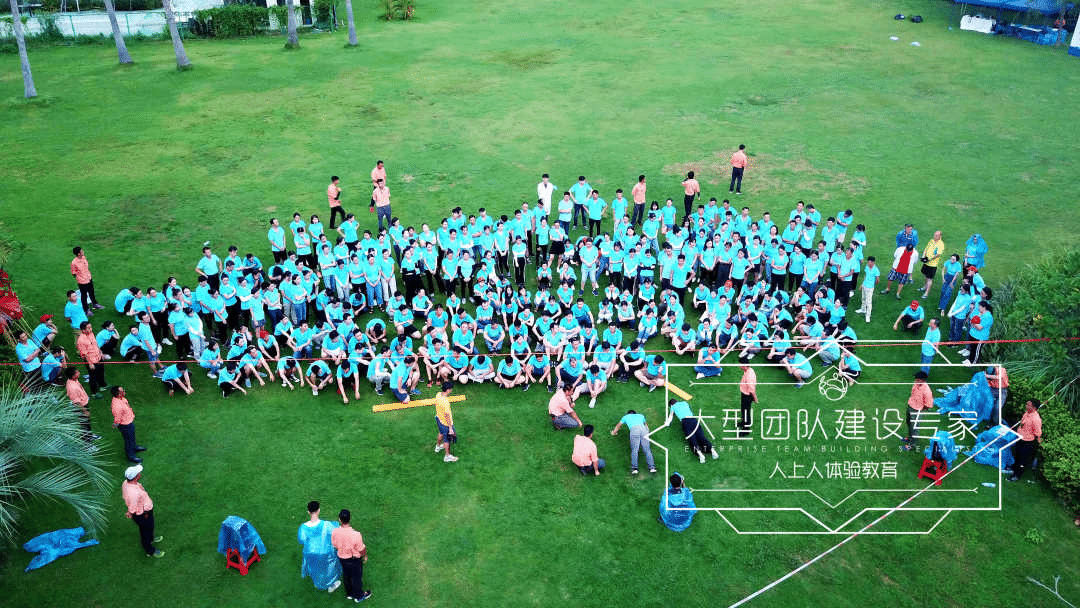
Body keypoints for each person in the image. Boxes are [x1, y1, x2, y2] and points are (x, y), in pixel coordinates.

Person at [297, 500, 342, 593]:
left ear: (308, 512)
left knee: (315, 568)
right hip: (324, 551)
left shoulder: (303, 527)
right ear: (319, 510)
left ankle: (318, 582)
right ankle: (331, 584)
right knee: (328, 568)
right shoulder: (326, 524)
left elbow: (301, 540)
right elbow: (336, 533)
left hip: (310, 552)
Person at [122, 464, 164, 558]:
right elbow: (132, 508)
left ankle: (151, 538)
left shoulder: (126, 483)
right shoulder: (133, 493)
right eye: (138, 473)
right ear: (136, 477)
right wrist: (130, 513)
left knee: (149, 528)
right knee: (146, 532)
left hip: (144, 513)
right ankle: (150, 550)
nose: (140, 474)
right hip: (143, 515)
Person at [331, 509, 372, 603]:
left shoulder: (335, 532)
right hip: (354, 560)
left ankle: (349, 594)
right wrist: (365, 556)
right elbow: (361, 549)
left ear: (340, 519)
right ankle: (359, 596)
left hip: (342, 559)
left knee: (346, 576)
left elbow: (334, 544)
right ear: (349, 519)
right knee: (356, 578)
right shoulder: (356, 534)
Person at [611, 409, 656, 475]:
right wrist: (647, 433)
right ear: (635, 413)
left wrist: (614, 432)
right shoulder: (641, 415)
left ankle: (635, 469)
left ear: (628, 413)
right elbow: (646, 425)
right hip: (644, 430)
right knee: (647, 450)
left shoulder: (626, 417)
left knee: (635, 450)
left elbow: (618, 425)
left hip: (634, 430)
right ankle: (652, 468)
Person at [1010, 399, 1042, 481]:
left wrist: (1038, 439)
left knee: (1022, 459)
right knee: (1017, 455)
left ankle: (1017, 475)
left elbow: (1038, 432)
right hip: (1020, 438)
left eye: (1028, 405)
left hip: (1027, 441)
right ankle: (1013, 469)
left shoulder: (1036, 419)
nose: (1026, 406)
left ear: (1034, 408)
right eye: (1026, 404)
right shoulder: (1026, 413)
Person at [111, 386, 145, 463]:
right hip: (125, 425)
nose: (124, 391)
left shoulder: (122, 398)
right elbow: (117, 418)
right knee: (128, 440)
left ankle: (134, 447)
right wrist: (116, 424)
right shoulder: (117, 406)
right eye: (122, 391)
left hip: (129, 422)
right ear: (118, 394)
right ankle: (131, 456)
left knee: (132, 437)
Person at [65, 367, 98, 442]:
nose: (79, 373)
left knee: (87, 423)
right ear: (73, 376)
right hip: (81, 407)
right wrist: (85, 411)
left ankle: (90, 435)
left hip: (83, 404)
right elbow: (76, 402)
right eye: (77, 372)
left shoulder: (74, 380)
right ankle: (87, 443)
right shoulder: (72, 388)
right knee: (84, 425)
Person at [904, 371, 933, 450]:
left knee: (914, 427)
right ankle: (909, 438)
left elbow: (928, 404)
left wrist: (920, 409)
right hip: (910, 406)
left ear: (923, 380)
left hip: (917, 410)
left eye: (918, 379)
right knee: (909, 423)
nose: (915, 380)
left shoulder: (927, 391)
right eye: (916, 379)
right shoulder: (916, 384)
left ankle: (912, 445)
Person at [70, 247, 105, 314]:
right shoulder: (74, 263)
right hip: (82, 282)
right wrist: (80, 277)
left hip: (89, 278)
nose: (83, 251)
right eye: (81, 251)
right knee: (84, 296)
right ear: (78, 253)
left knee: (91, 292)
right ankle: (86, 309)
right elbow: (74, 273)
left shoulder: (83, 257)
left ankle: (95, 304)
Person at [961, 301, 993, 365]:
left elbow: (979, 327)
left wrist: (974, 322)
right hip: (973, 334)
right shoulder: (980, 313)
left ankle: (973, 362)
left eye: (979, 307)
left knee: (976, 350)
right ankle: (969, 359)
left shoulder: (988, 317)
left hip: (980, 337)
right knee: (972, 349)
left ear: (984, 307)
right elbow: (973, 322)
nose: (978, 308)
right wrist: (974, 322)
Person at [434, 381, 459, 463]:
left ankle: (438, 447)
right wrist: (450, 428)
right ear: (448, 390)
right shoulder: (445, 402)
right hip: (445, 423)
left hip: (438, 418)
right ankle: (447, 456)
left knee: (441, 433)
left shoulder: (438, 394)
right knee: (447, 440)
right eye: (451, 389)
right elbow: (447, 415)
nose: (451, 390)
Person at [918, 230, 945, 299]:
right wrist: (923, 256)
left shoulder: (941, 244)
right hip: (926, 262)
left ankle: (926, 293)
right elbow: (926, 249)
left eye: (936, 235)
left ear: (940, 236)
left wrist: (929, 259)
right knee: (926, 276)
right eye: (934, 235)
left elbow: (938, 254)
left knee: (930, 279)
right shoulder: (931, 241)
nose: (934, 236)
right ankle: (925, 287)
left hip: (932, 265)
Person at [739, 363, 758, 436]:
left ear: (744, 365)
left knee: (746, 412)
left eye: (741, 365)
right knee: (743, 410)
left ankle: (746, 430)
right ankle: (743, 422)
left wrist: (755, 398)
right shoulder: (748, 370)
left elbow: (751, 390)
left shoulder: (749, 376)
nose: (739, 366)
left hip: (747, 396)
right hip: (745, 394)